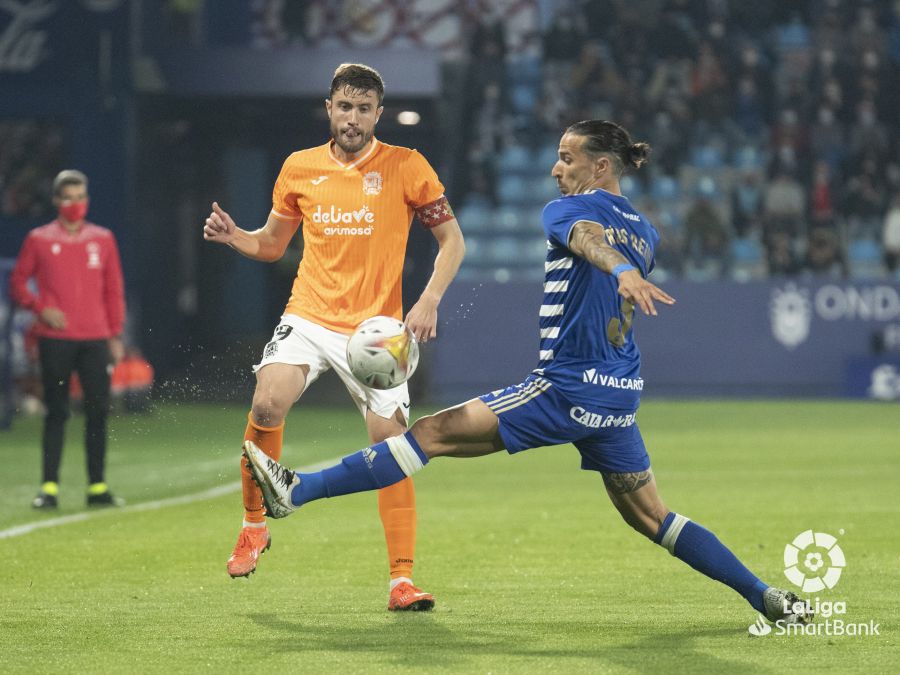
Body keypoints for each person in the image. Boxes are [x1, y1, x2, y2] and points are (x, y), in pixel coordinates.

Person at [243, 120, 811, 626]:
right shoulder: (647, 231)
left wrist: (616, 270)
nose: (556, 168)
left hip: (565, 386)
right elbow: (608, 249)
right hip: (617, 397)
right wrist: (626, 269)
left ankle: (300, 491)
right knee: (653, 517)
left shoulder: (565, 210)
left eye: (568, 158)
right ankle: (765, 596)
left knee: (430, 434)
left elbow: (587, 241)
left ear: (601, 167)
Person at [203, 63, 465, 611]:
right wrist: (236, 239)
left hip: (376, 332)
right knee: (267, 402)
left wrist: (429, 299)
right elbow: (273, 245)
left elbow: (452, 243)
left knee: (390, 446)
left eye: (364, 109)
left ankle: (401, 581)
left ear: (378, 114)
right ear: (329, 108)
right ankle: (254, 524)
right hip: (310, 314)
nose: (352, 118)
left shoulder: (406, 166)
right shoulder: (299, 167)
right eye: (344, 107)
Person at [9, 169, 126, 509]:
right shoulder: (39, 239)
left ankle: (98, 487)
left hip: (95, 340)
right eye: (68, 198)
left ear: (86, 200)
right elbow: (18, 283)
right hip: (55, 339)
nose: (75, 204)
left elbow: (113, 290)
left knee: (97, 412)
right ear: (57, 201)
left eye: (80, 197)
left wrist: (114, 336)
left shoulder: (103, 239)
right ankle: (49, 488)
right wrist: (41, 308)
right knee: (57, 412)